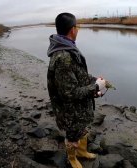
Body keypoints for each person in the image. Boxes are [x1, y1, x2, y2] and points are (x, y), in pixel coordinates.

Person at [47, 13, 109, 168]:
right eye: (77, 27)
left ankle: (81, 152)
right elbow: (69, 93)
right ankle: (72, 158)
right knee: (73, 133)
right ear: (72, 29)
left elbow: (78, 75)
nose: (78, 30)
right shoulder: (63, 56)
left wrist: (94, 80)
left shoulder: (67, 47)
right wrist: (95, 87)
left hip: (78, 108)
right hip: (70, 110)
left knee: (81, 128)